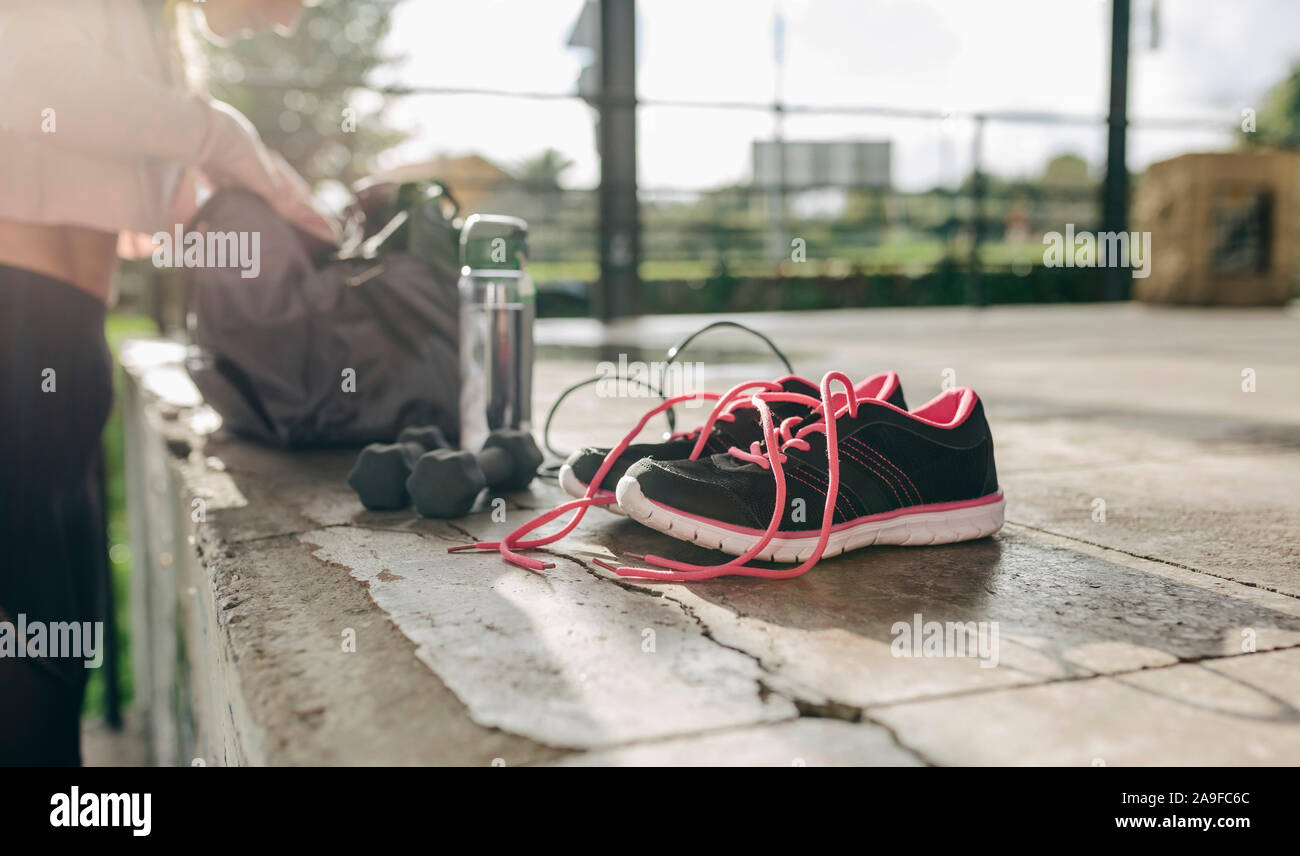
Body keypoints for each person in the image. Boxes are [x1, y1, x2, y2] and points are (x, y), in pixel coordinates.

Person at [0, 0, 338, 765]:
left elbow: (129, 169)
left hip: (54, 336)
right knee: (26, 642)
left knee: (55, 636)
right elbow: (31, 79)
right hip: (17, 333)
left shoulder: (144, 27)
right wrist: (224, 137)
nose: (289, 22)